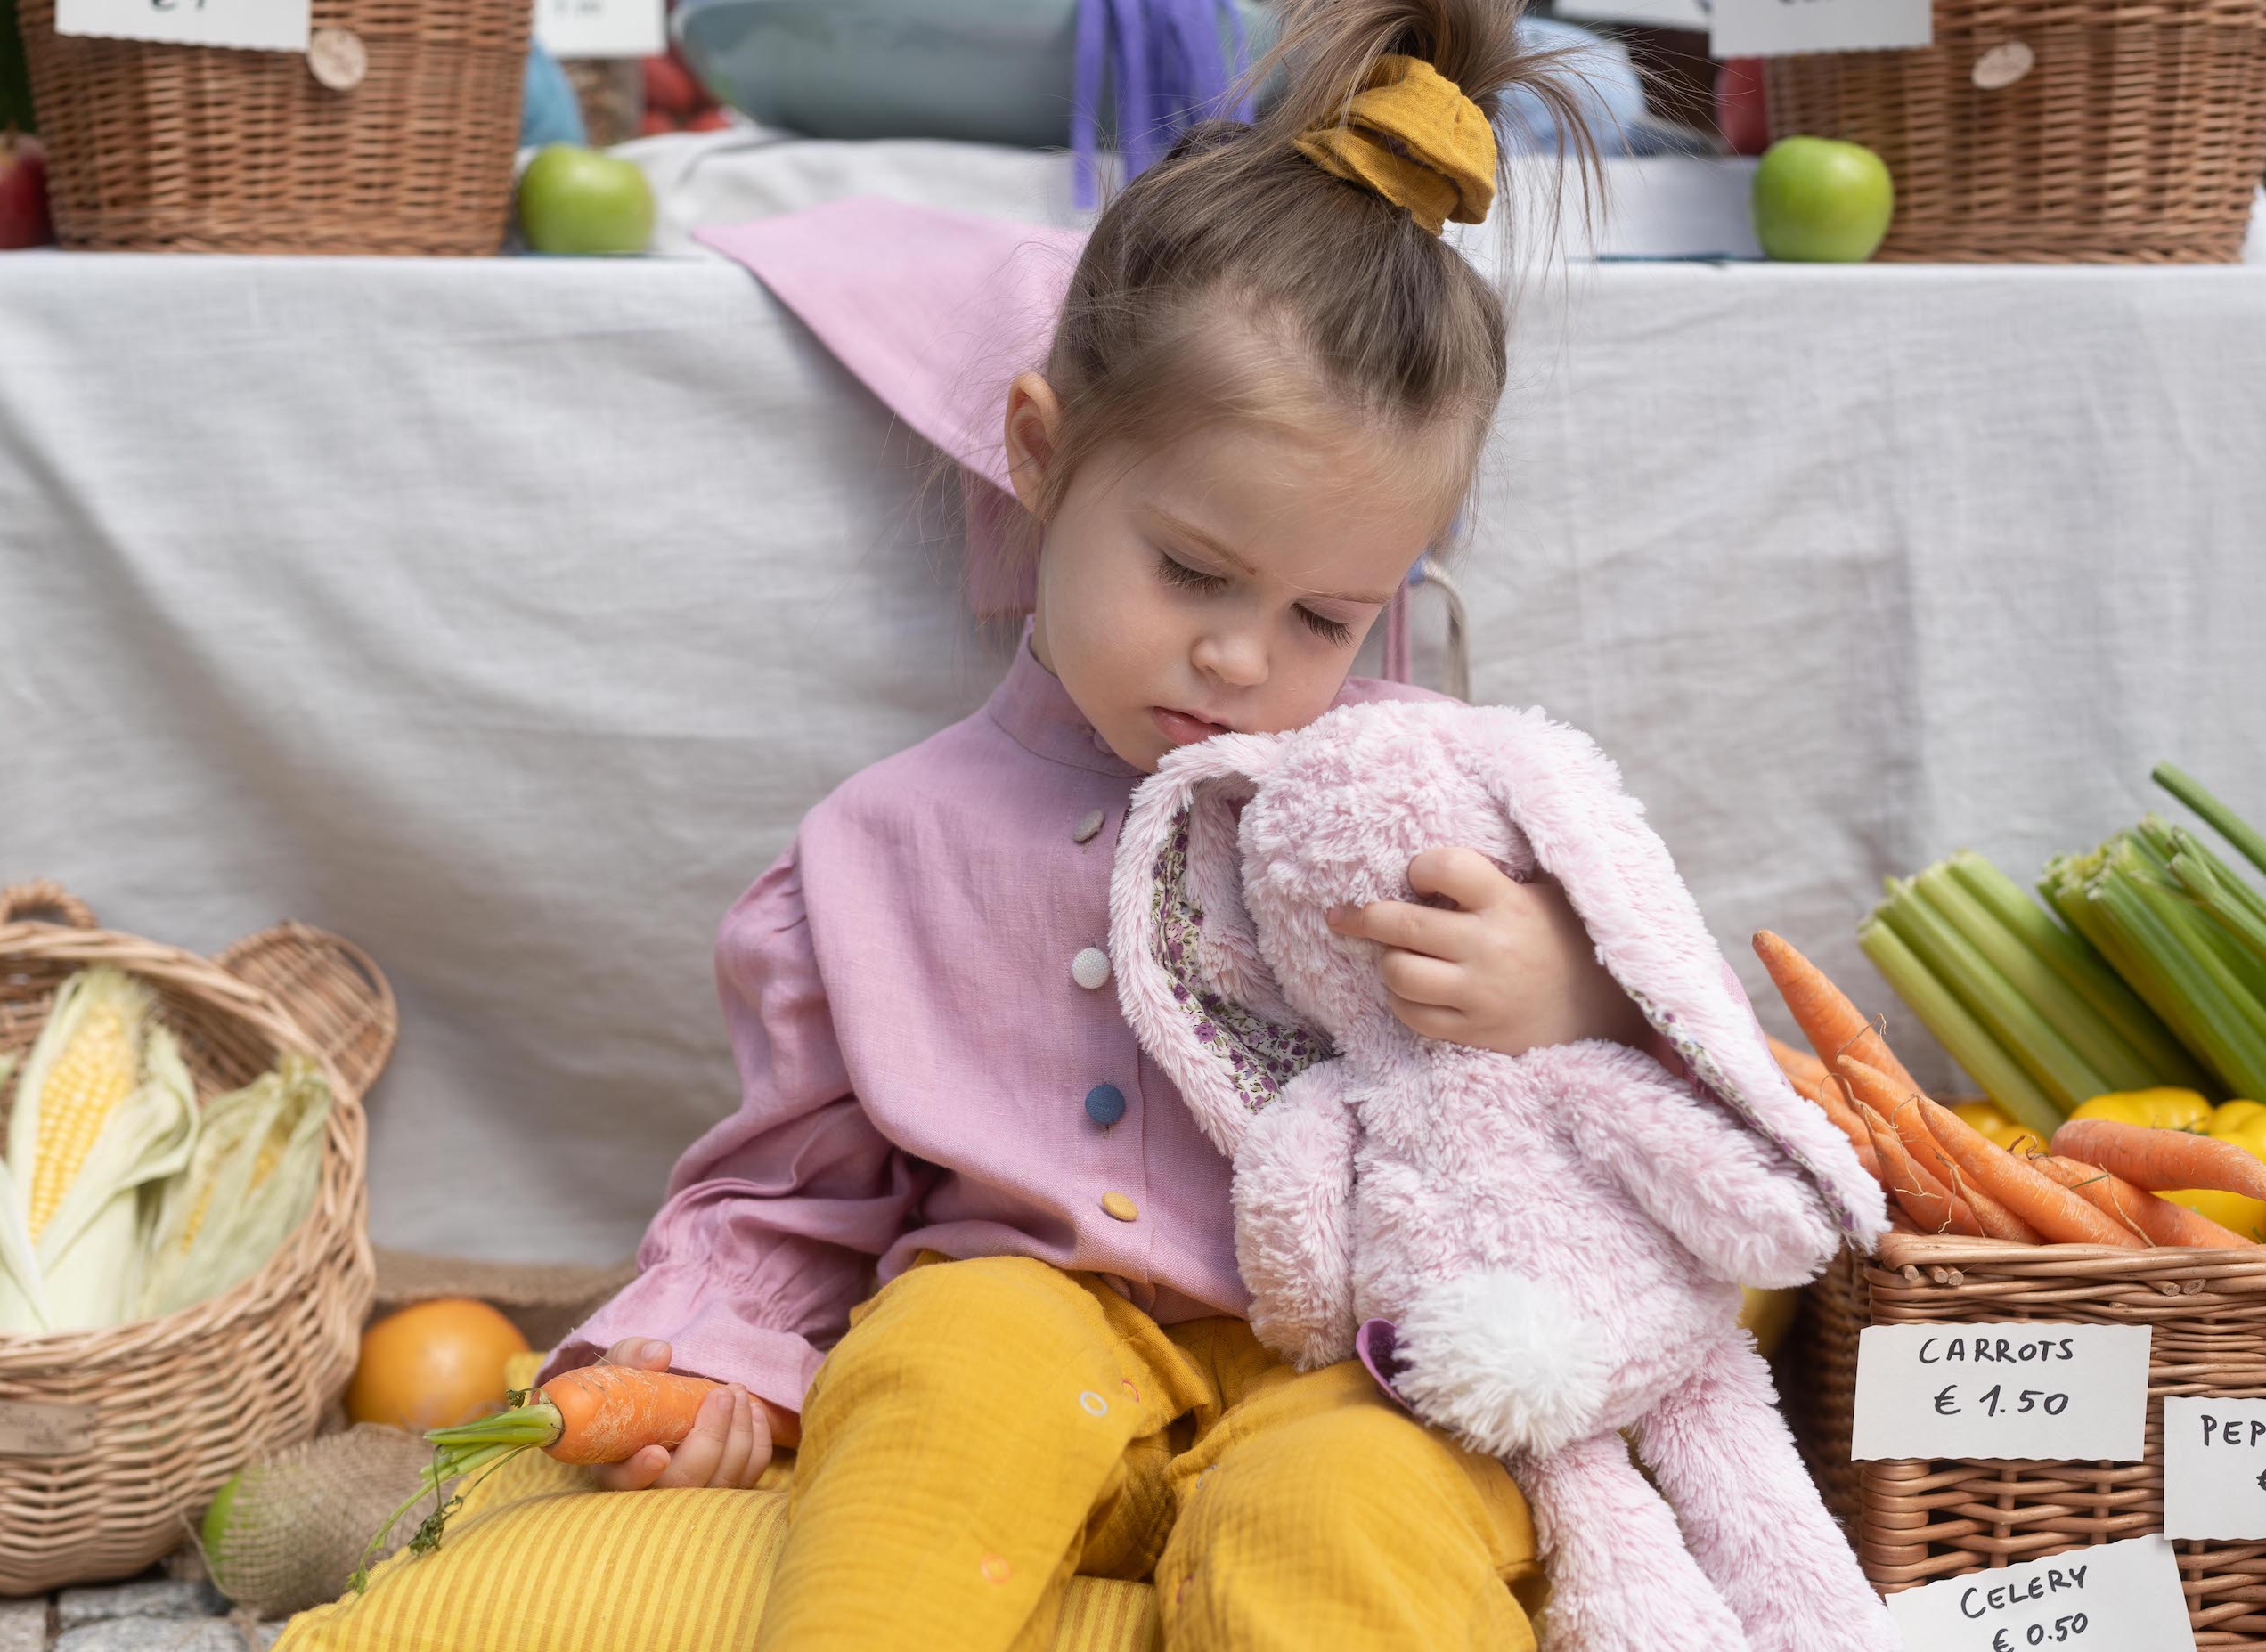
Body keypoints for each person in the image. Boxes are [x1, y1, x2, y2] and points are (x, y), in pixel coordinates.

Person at [542, 3, 1635, 1645]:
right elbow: (784, 1195)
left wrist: (1573, 993)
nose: (1241, 659)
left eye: (1328, 618)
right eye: (1192, 572)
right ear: (1042, 454)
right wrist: (710, 1360)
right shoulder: (871, 855)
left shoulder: (1440, 816)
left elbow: (1657, 1106)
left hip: (1347, 1368)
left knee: (1359, 1500)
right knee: (941, 1356)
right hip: (1033, 1337)